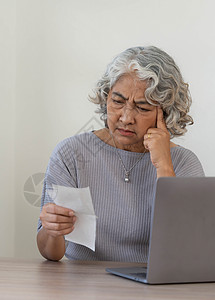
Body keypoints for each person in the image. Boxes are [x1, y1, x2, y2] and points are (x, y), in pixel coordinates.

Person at [37, 46, 204, 262]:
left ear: (165, 113)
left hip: (154, 287)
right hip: (83, 288)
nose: (125, 118)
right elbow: (50, 253)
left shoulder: (183, 163)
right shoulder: (70, 154)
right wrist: (52, 230)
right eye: (117, 101)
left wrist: (163, 166)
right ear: (106, 98)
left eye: (142, 108)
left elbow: (186, 247)